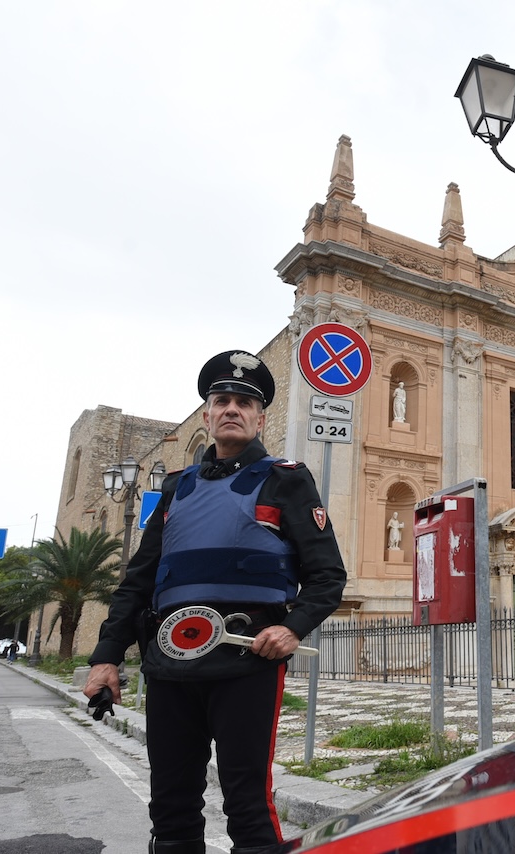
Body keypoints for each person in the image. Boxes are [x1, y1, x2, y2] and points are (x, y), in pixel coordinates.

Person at [82, 350, 347, 854]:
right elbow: (137, 582)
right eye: (221, 400)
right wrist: (105, 658)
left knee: (247, 802)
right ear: (207, 415)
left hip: (247, 664)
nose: (232, 409)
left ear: (260, 417)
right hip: (167, 668)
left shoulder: (286, 479)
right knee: (171, 804)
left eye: (244, 402)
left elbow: (328, 575)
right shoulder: (176, 489)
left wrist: (292, 627)